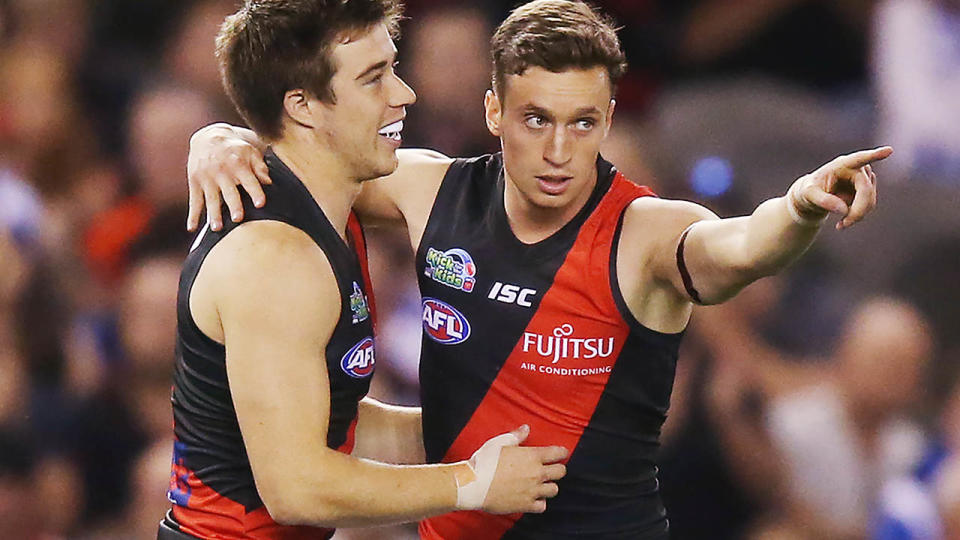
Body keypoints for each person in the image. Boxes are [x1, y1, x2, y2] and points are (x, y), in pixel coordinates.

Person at [187, 1, 889, 537]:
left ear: (609, 120)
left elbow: (740, 248)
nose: (558, 149)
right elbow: (310, 155)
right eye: (535, 120)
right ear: (493, 112)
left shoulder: (646, 232)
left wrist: (798, 207)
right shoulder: (420, 194)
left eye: (581, 122)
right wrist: (219, 137)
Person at [163, 1, 568, 539]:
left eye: (393, 69)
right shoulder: (274, 259)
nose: (404, 94)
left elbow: (337, 425)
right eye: (374, 78)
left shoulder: (330, 204)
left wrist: (482, 432)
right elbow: (298, 488)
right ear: (304, 105)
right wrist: (469, 483)